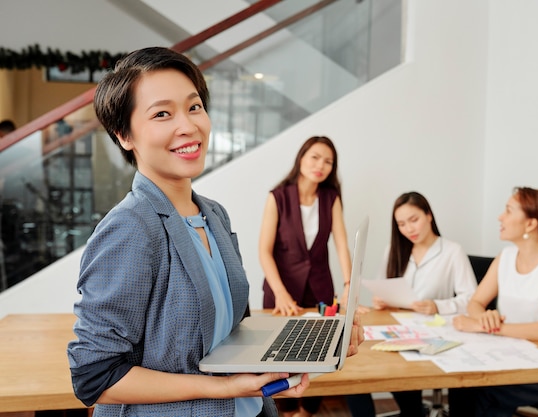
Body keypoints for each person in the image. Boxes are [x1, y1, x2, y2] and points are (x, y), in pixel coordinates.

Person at [66, 47, 364, 417]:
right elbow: (96, 376)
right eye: (162, 114)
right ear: (124, 135)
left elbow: (229, 332)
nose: (189, 126)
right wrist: (224, 387)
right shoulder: (130, 228)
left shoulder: (214, 215)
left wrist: (310, 341)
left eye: (194, 107)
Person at [450, 187, 538, 417]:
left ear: (530, 224)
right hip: (518, 350)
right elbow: (475, 302)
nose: (500, 217)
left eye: (508, 211)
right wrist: (483, 317)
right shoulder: (506, 257)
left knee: (486, 390)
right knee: (462, 383)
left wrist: (485, 327)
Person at [347, 191, 477, 417]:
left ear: (428, 215)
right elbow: (383, 285)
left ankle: (412, 411)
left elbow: (472, 300)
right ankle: (411, 411)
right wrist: (381, 300)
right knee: (353, 367)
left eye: (414, 220)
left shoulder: (452, 251)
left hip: (434, 332)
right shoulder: (395, 249)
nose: (409, 229)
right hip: (396, 329)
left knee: (398, 372)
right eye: (402, 224)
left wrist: (437, 306)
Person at [258, 135, 353, 417]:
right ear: (301, 158)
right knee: (280, 358)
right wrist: (282, 294)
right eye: (315, 157)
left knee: (318, 355)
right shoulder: (278, 197)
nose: (320, 165)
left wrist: (348, 285)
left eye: (328, 161)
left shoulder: (331, 199)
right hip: (281, 291)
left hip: (320, 289)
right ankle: (285, 410)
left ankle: (307, 411)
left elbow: (341, 245)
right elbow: (264, 251)